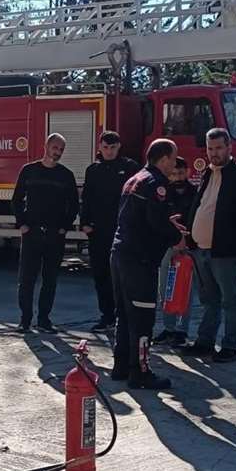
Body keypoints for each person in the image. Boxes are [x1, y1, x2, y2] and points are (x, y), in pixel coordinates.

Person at [110, 138, 184, 390]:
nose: (174, 164)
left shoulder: (134, 179)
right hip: (140, 260)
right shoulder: (156, 184)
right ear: (163, 158)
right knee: (142, 318)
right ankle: (140, 372)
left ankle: (121, 366)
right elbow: (156, 222)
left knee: (123, 314)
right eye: (173, 159)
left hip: (120, 254)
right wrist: (177, 237)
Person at [183, 128, 236, 363]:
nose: (214, 153)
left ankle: (230, 345)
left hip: (225, 252)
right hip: (200, 249)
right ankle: (205, 342)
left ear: (229, 148)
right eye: (210, 148)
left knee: (230, 300)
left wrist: (230, 238)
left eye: (218, 148)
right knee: (208, 300)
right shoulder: (206, 174)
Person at [13, 133, 79, 333]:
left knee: (50, 279)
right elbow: (16, 199)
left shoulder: (66, 175)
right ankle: (25, 320)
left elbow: (74, 205)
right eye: (55, 148)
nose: (57, 152)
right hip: (31, 233)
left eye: (61, 150)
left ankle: (44, 320)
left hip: (54, 236)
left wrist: (63, 227)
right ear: (46, 146)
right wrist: (22, 224)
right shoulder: (29, 170)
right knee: (26, 279)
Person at [80, 131, 140, 332]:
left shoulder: (130, 167)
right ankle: (106, 316)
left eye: (113, 147)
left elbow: (137, 198)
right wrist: (85, 223)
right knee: (101, 275)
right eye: (105, 147)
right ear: (99, 147)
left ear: (119, 147)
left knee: (123, 276)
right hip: (98, 232)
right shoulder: (93, 170)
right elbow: (86, 197)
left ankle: (124, 317)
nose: (109, 151)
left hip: (123, 231)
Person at [155, 156, 198, 347]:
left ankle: (182, 330)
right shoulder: (163, 193)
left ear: (187, 172)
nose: (178, 177)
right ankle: (168, 328)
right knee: (166, 288)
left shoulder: (196, 193)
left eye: (181, 173)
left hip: (188, 247)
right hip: (166, 246)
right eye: (175, 173)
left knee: (185, 290)